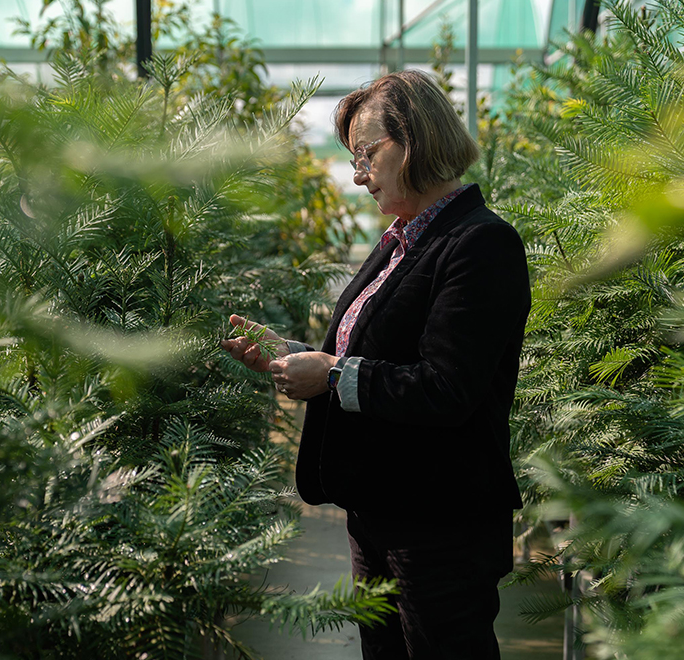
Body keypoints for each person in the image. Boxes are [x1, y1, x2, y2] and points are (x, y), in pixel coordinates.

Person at [221, 70, 530, 659]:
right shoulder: (401, 241)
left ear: (414, 142)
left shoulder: (480, 243)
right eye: (354, 158)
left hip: (439, 520)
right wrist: (291, 355)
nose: (358, 174)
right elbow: (377, 354)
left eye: (367, 154)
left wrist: (332, 375)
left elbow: (446, 387)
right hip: (380, 509)